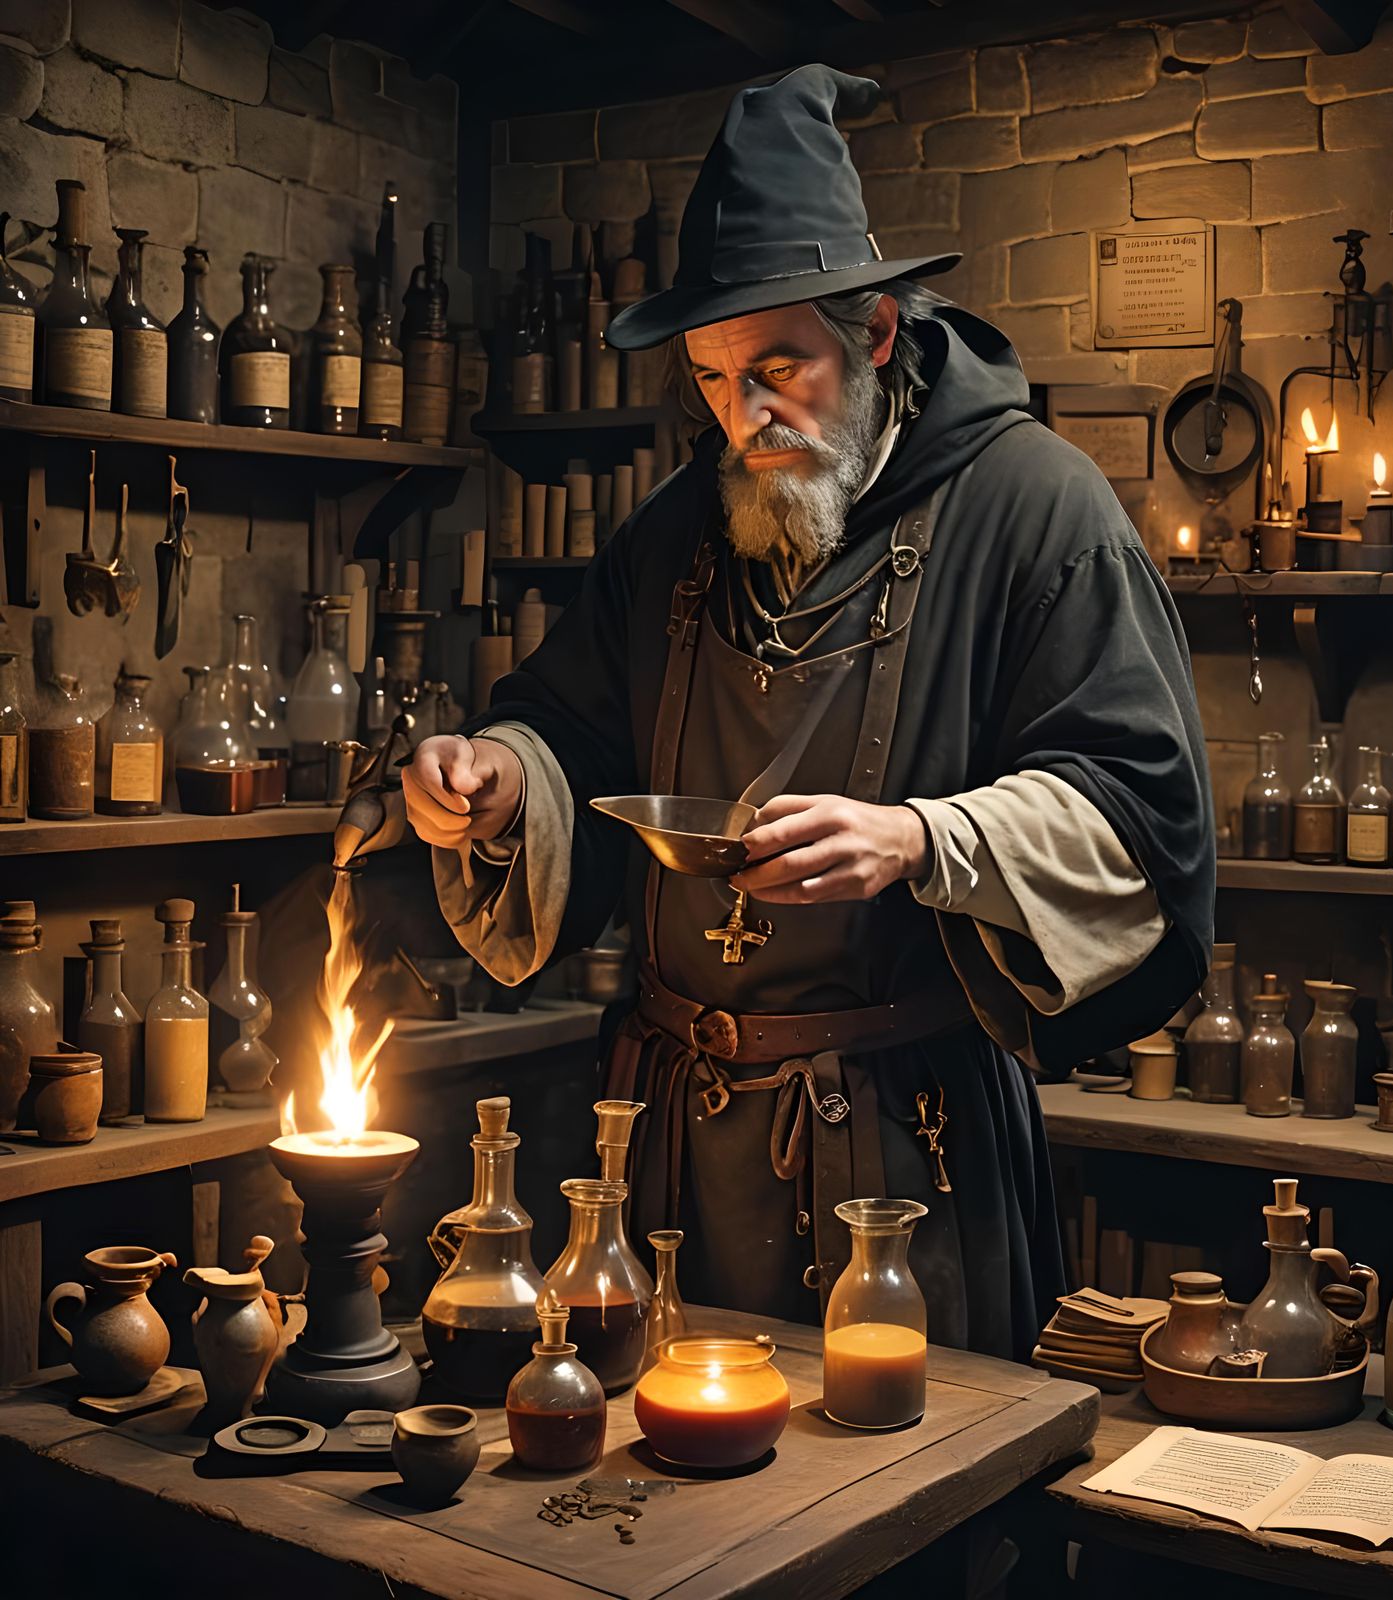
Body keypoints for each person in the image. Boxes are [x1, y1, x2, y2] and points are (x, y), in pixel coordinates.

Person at [402, 64, 1213, 1361]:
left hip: (907, 1151)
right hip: (671, 1137)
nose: (747, 415)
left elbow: (1141, 816)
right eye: (715, 380)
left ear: (880, 333)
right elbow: (574, 728)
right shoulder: (677, 532)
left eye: (782, 368)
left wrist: (921, 841)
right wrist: (503, 775)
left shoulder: (1038, 514)